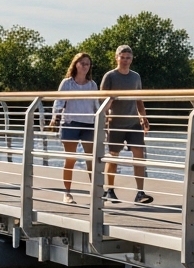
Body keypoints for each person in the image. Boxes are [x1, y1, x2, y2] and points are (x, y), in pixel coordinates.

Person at [100, 45, 152, 204]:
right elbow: (101, 101)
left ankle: (140, 192)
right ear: (117, 58)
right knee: (113, 157)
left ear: (132, 59)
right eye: (122, 57)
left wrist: (143, 117)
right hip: (115, 122)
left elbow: (139, 99)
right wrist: (107, 113)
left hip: (133, 123)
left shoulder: (135, 77)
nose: (125, 61)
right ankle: (109, 190)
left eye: (128, 58)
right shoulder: (110, 76)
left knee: (139, 156)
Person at [47, 52, 99, 204]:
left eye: (87, 63)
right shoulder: (67, 83)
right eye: (82, 63)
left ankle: (95, 193)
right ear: (76, 64)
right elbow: (59, 102)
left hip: (89, 123)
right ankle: (67, 193)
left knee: (91, 159)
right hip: (70, 123)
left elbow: (96, 105)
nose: (84, 66)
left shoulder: (92, 85)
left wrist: (103, 121)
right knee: (71, 159)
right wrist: (54, 118)